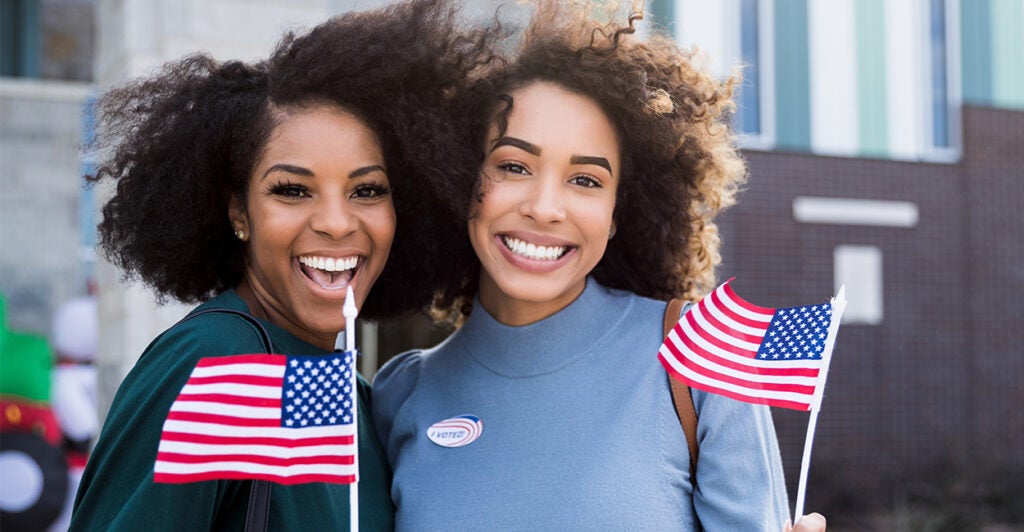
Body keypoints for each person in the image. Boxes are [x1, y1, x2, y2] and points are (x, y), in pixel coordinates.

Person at [372, 2, 827, 530]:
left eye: (586, 179)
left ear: (616, 213)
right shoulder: (401, 394)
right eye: (513, 166)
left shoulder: (703, 360)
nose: (545, 207)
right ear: (457, 180)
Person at [70, 1, 493, 529]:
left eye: (367, 190)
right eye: (292, 190)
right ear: (238, 212)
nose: (337, 223)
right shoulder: (213, 367)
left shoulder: (353, 393)